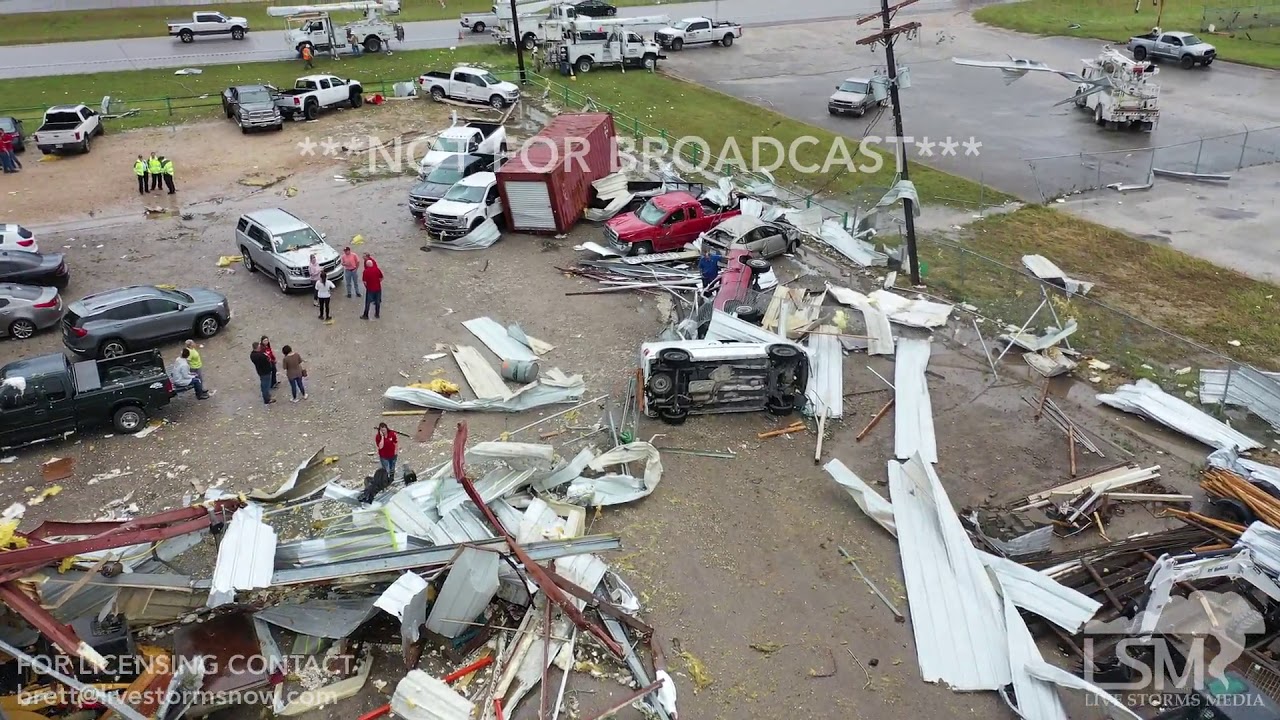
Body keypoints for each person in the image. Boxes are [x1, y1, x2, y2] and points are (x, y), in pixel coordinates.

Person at [360, 255, 383, 320]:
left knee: (368, 302)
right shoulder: (377, 269)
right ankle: (377, 314)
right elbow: (381, 278)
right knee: (377, 302)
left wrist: (367, 287)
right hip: (378, 288)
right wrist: (378, 282)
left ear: (367, 265)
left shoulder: (366, 271)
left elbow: (364, 282)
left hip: (370, 289)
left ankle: (366, 315)